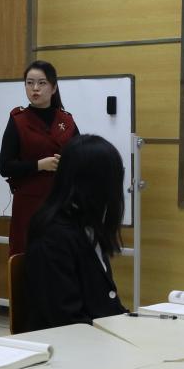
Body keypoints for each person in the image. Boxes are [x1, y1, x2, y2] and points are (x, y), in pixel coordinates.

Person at [24, 134, 127, 330]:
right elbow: (66, 318)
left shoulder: (86, 224)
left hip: (93, 336)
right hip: (67, 342)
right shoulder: (53, 235)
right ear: (94, 183)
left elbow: (103, 304)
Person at [0, 60, 78, 255]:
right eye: (29, 83)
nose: (35, 88)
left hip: (61, 201)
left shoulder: (66, 120)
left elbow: (81, 158)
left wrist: (68, 163)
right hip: (29, 203)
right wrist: (39, 165)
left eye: (42, 83)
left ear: (53, 87)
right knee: (27, 255)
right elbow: (5, 167)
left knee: (61, 255)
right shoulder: (18, 119)